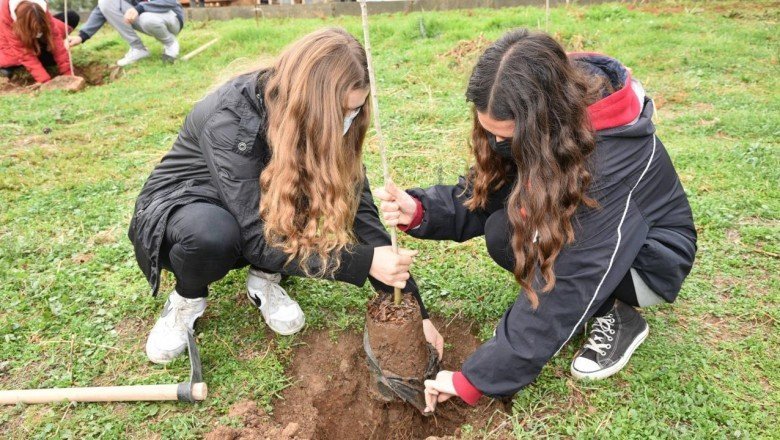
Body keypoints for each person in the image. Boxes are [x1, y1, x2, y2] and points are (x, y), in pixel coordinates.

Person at [376, 29, 697, 412]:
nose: (497, 146)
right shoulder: (551, 116)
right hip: (595, 237)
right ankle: (595, 306)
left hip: (646, 262)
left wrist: (475, 378)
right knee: (503, 233)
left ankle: (618, 313)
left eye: (506, 137)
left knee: (566, 277)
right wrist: (423, 210)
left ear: (542, 120)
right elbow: (494, 189)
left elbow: (572, 281)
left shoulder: (610, 162)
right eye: (491, 133)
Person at [128, 28, 444, 365]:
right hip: (190, 206)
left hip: (254, 204)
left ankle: (265, 278)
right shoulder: (229, 119)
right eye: (342, 111)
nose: (349, 120)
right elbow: (255, 237)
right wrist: (365, 262)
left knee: (310, 186)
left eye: (356, 109)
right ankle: (186, 299)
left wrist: (417, 314)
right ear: (312, 100)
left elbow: (360, 212)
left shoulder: (329, 121)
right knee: (213, 235)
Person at [67, 0, 183, 66]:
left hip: (171, 18)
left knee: (147, 19)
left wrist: (139, 8)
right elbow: (102, 9)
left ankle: (170, 43)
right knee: (105, 2)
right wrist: (82, 36)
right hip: (144, 17)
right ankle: (138, 48)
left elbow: (170, 2)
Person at [0, 0, 78, 83]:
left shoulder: (40, 5)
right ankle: (10, 67)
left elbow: (55, 37)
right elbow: (23, 52)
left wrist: (67, 72)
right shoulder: (5, 15)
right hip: (9, 40)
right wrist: (45, 80)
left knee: (72, 16)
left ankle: (38, 51)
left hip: (35, 34)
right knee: (13, 59)